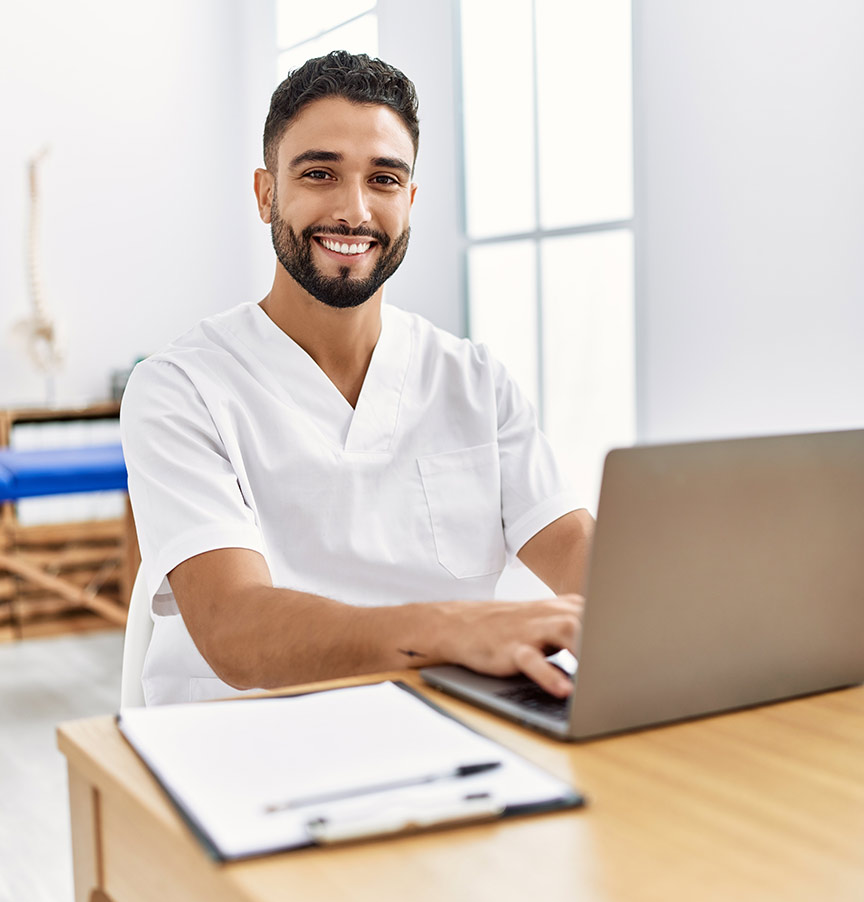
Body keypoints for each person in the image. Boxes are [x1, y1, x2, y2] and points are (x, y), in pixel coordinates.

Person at [120, 51, 595, 706]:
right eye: (320, 173)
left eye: (384, 179)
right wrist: (454, 630)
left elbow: (574, 546)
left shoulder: (474, 381)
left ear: (410, 200)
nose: (355, 210)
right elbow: (234, 629)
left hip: (455, 729)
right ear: (266, 194)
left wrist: (675, 606)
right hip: (242, 748)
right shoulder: (181, 389)